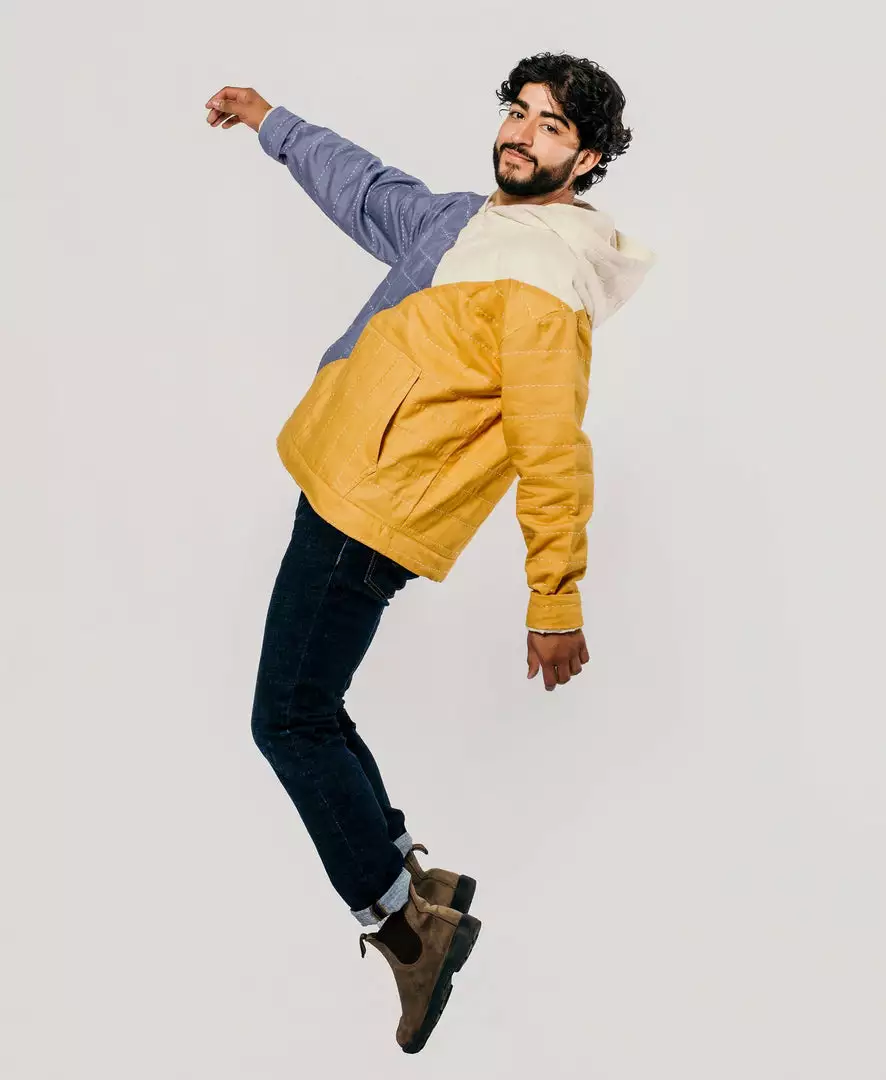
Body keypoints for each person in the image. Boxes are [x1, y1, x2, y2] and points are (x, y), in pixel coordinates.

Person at [204, 51, 656, 1053]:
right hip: (342, 485)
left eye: (551, 126)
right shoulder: (464, 221)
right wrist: (272, 121)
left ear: (587, 159)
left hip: (368, 516)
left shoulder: (546, 278)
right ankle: (415, 875)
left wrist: (554, 600)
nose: (522, 135)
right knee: (313, 706)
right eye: (518, 112)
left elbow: (552, 451)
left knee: (287, 720)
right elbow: (365, 189)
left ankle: (405, 930)